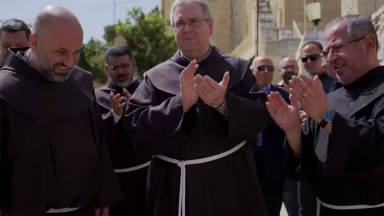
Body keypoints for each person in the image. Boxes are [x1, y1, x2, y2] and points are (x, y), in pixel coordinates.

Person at [122, 0, 270, 215]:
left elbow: (261, 117)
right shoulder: (155, 77)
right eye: (180, 23)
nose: (187, 28)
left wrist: (224, 104)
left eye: (194, 21)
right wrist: (180, 104)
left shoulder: (237, 68)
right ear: (174, 30)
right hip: (175, 187)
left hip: (231, 184)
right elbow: (135, 128)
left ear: (210, 26)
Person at [0, 6, 122, 216]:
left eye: (77, 52)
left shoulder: (81, 82)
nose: (70, 62)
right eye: (61, 52)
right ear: (34, 42)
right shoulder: (4, 90)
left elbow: (97, 141)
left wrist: (103, 194)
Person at [267, 14, 384, 216]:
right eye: (327, 51)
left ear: (369, 44)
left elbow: (376, 143)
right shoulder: (330, 96)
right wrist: (293, 130)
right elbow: (309, 160)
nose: (330, 57)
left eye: (337, 47)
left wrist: (324, 116)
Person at [95, 45, 151, 216]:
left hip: (149, 176)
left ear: (133, 64)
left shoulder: (148, 90)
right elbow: (96, 137)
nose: (121, 72)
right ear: (107, 69)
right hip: (117, 183)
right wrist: (115, 116)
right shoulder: (97, 97)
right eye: (115, 68)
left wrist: (139, 111)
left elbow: (159, 128)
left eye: (125, 66)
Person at [250, 56, 289, 216]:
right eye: (261, 68)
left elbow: (288, 128)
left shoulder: (282, 96)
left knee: (271, 209)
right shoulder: (242, 94)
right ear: (252, 71)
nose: (265, 72)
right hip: (248, 162)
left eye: (270, 68)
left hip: (273, 164)